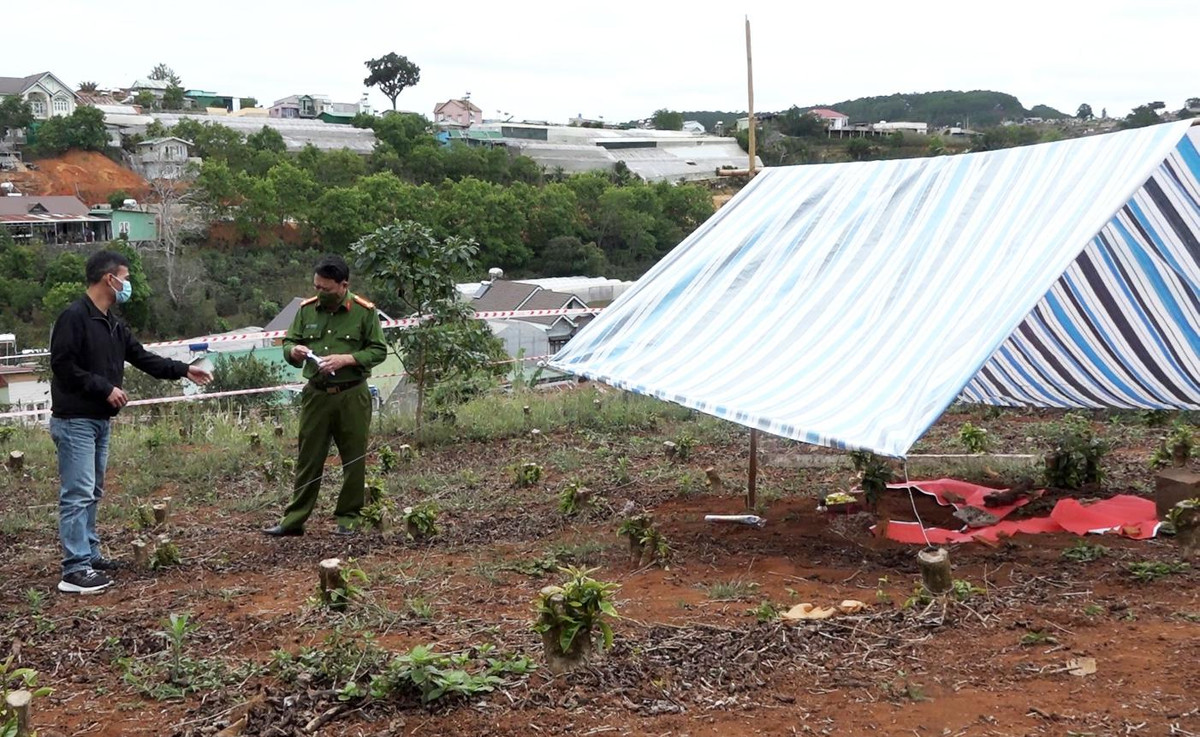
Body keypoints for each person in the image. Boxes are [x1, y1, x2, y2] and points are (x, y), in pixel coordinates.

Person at [50, 250, 213, 594]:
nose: (128, 285)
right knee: (77, 494)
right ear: (110, 279)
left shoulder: (112, 323)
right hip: (75, 420)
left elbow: (142, 358)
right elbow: (63, 366)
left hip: (99, 421)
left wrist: (183, 369)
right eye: (125, 277)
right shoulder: (74, 317)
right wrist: (104, 387)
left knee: (92, 491)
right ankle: (74, 569)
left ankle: (89, 555)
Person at [263, 255, 387, 537]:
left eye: (327, 289)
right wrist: (292, 351)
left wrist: (347, 359)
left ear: (344, 285)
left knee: (353, 459)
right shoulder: (306, 310)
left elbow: (378, 350)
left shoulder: (364, 312)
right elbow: (290, 342)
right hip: (316, 395)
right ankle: (294, 520)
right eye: (317, 286)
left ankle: (348, 519)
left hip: (351, 395)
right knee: (309, 458)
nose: (320, 292)